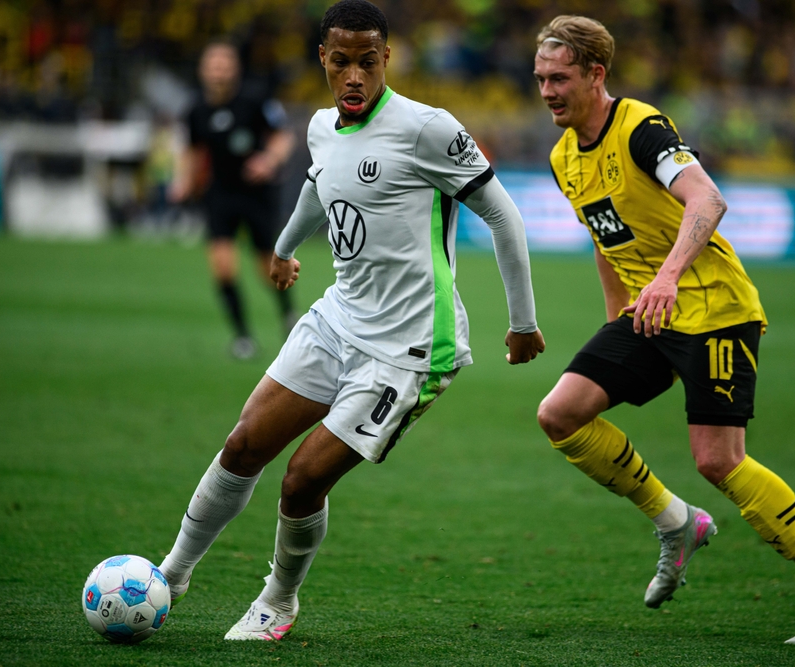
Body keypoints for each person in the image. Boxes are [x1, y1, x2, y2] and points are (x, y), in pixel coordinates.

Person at [158, 0, 546, 641]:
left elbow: (503, 214)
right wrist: (284, 248)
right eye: (341, 62)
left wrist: (522, 322)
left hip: (410, 347)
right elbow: (319, 184)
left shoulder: (427, 129)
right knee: (243, 445)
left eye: (368, 61)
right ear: (323, 60)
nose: (355, 76)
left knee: (301, 480)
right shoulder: (319, 127)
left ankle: (278, 600)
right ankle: (170, 575)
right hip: (338, 318)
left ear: (386, 57)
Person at [532, 16, 795, 646]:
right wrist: (616, 320)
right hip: (649, 315)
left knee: (718, 460)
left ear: (596, 74)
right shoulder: (562, 157)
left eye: (560, 78)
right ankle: (676, 521)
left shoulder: (641, 128)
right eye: (541, 79)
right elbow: (605, 238)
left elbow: (708, 199)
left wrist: (666, 278)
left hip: (715, 310)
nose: (548, 91)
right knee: (561, 414)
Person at [171, 40, 297, 360]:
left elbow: (283, 136)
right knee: (223, 267)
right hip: (220, 194)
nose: (219, 71)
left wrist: (268, 160)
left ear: (235, 69)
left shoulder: (256, 100)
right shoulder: (195, 110)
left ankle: (288, 315)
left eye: (224, 64)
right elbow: (192, 151)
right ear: (203, 70)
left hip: (256, 194)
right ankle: (242, 337)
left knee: (267, 267)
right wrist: (183, 182)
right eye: (214, 65)